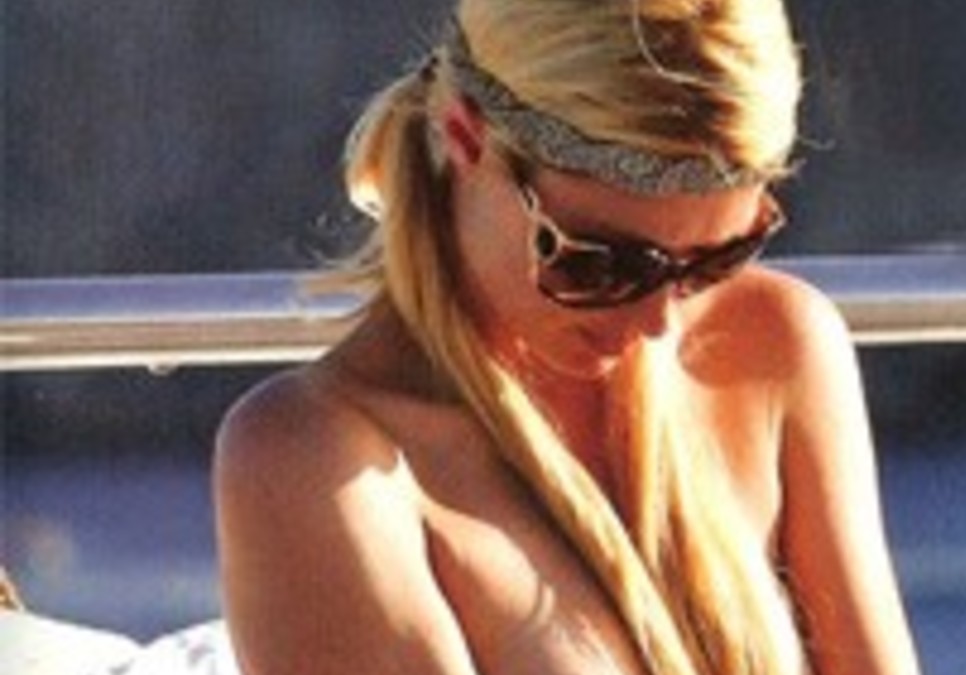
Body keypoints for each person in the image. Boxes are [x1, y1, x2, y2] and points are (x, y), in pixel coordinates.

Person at [214, 1, 921, 674]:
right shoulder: (323, 460)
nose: (659, 324)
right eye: (600, 263)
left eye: (716, 259)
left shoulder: (778, 345)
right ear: (464, 135)